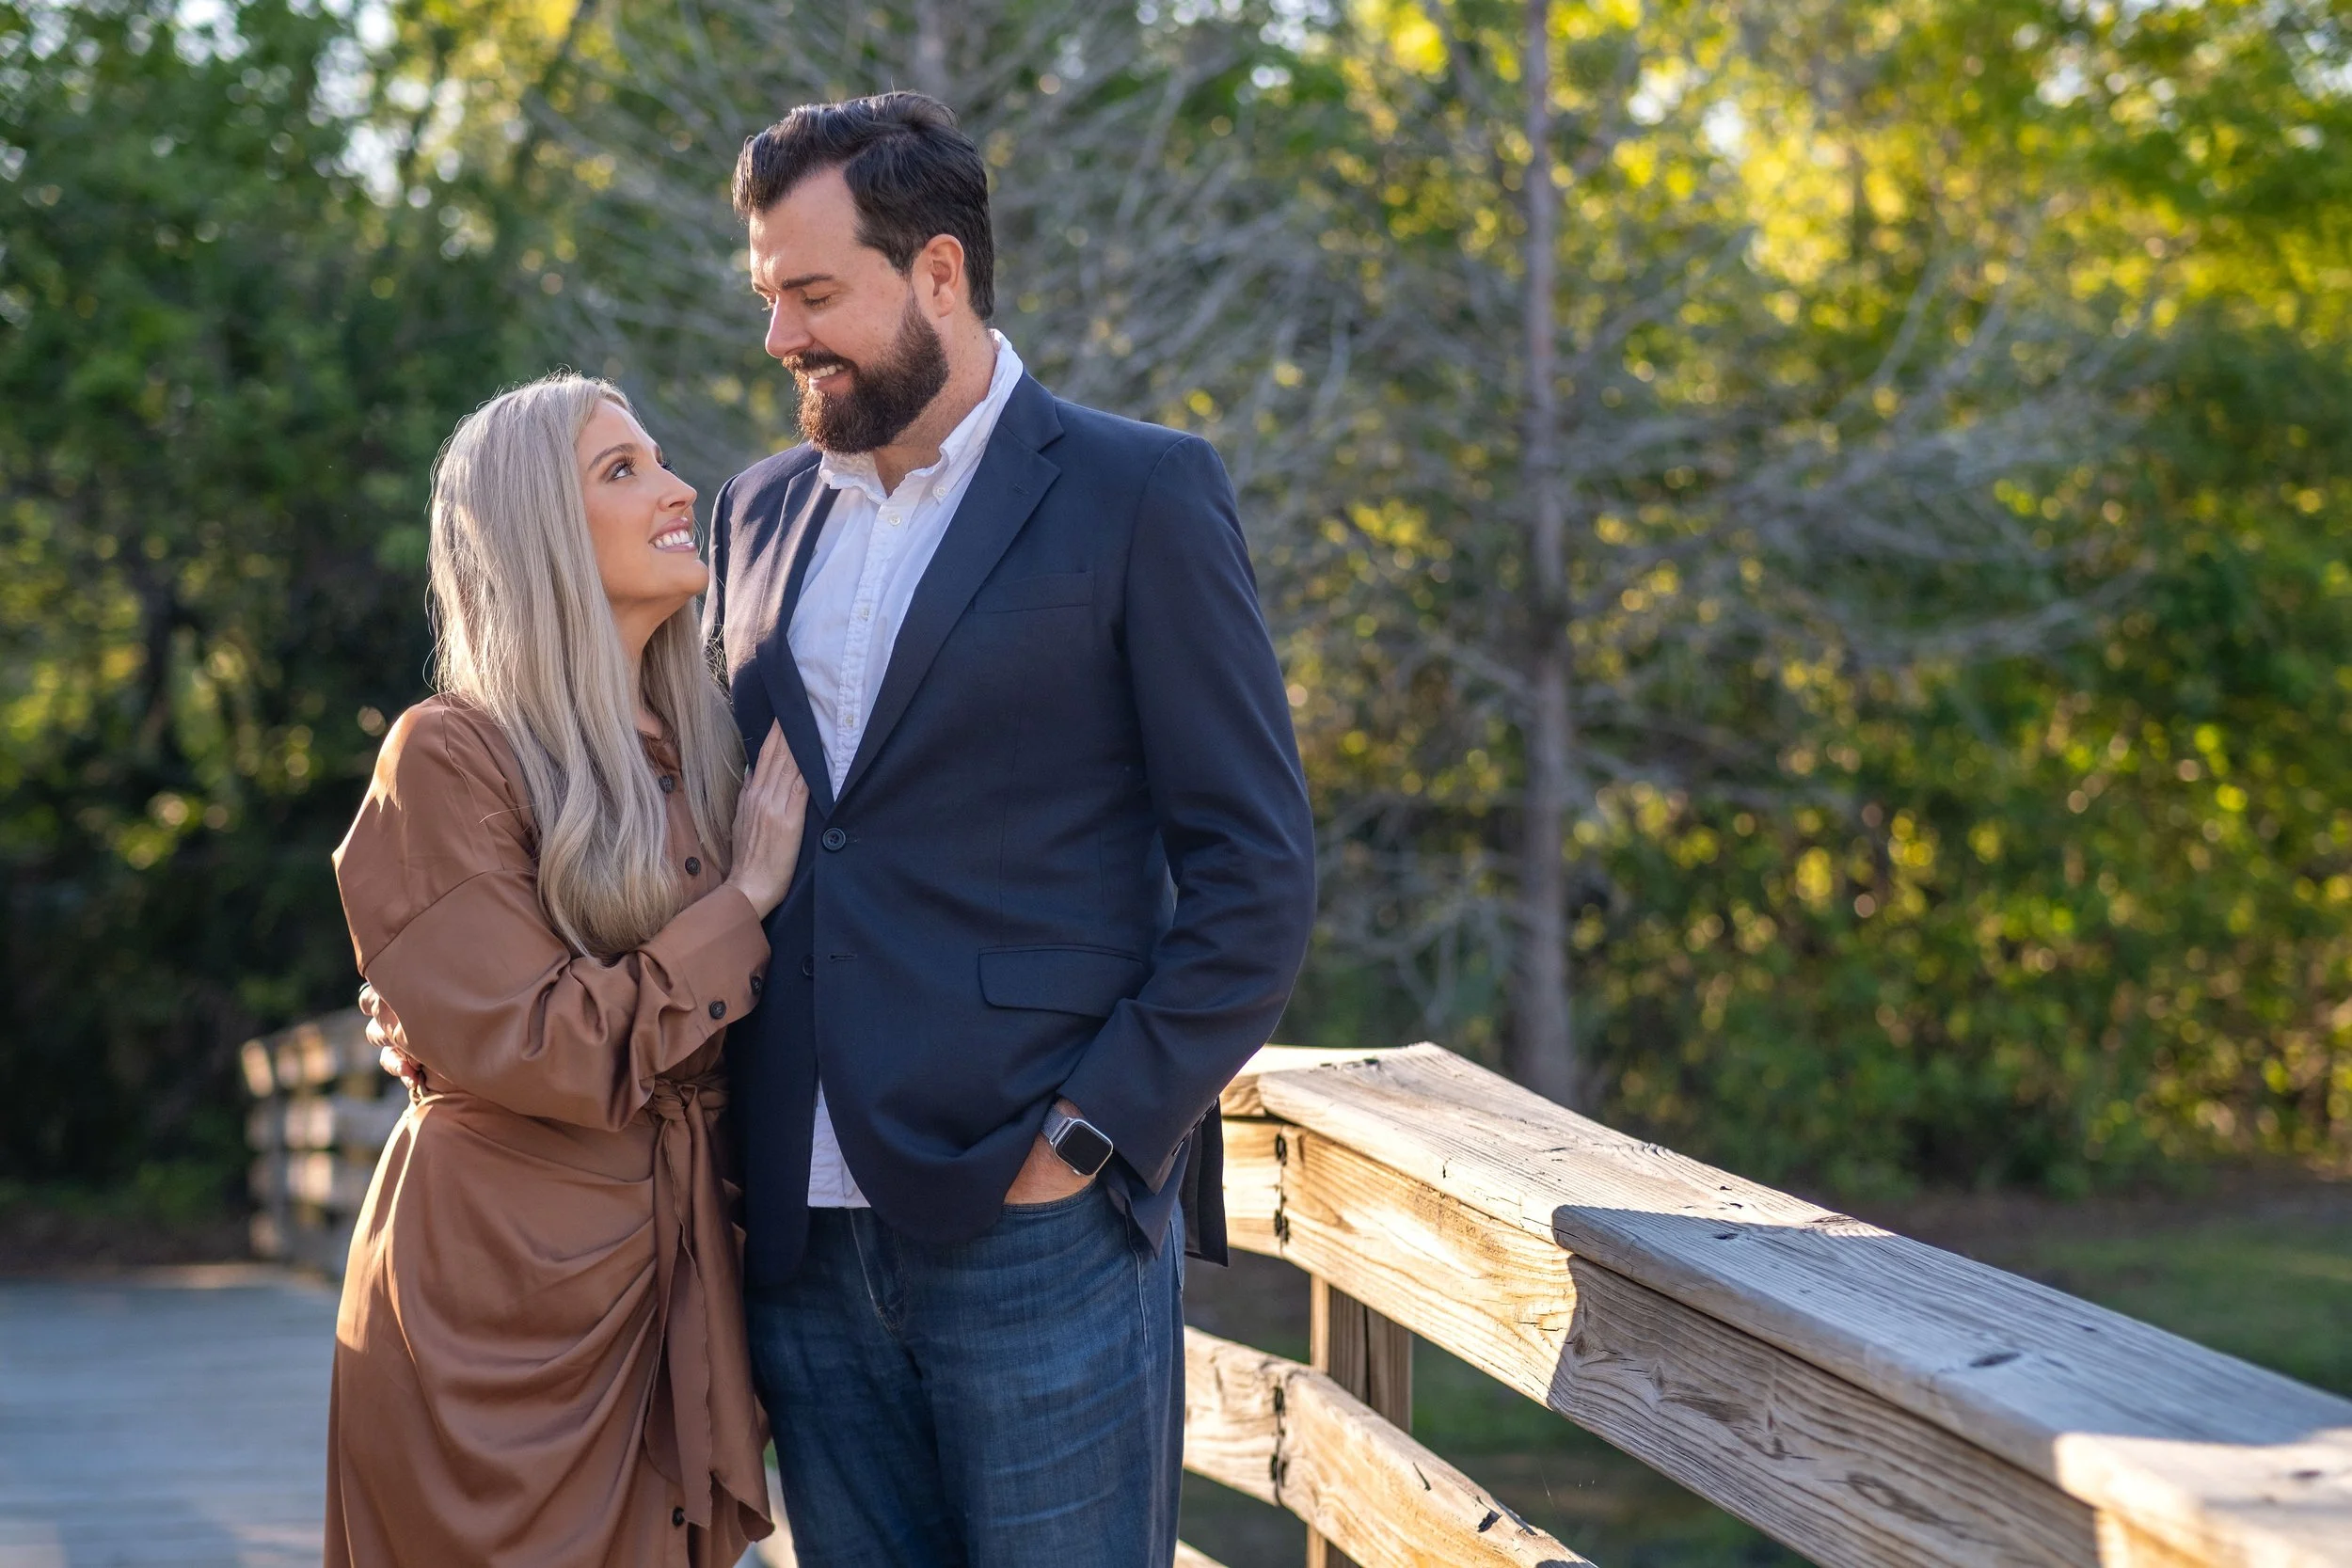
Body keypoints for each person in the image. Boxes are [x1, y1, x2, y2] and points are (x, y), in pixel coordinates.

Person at [706, 93, 1319, 1566]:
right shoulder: (752, 513)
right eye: (765, 295)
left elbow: (1257, 868)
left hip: (1035, 1218)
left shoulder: (1138, 491)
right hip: (796, 1229)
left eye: (814, 292)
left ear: (937, 274)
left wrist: (1092, 1136)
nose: (782, 334)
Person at [325, 373, 810, 1567]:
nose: (677, 486)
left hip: (674, 1285)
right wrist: (744, 902)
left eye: (655, 459)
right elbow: (542, 1043)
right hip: (494, 1305)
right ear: (537, 529)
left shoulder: (709, 744)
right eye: (621, 469)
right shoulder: (448, 754)